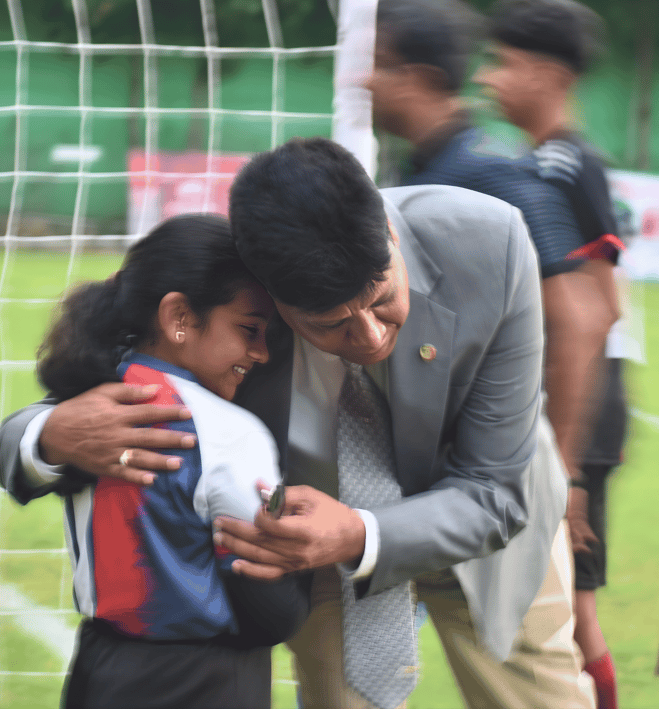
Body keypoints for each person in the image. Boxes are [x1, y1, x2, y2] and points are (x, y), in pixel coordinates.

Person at [0, 138, 547, 709]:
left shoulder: (493, 241)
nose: (370, 337)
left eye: (381, 298)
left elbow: (496, 490)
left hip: (485, 525)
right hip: (309, 555)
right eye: (329, 323)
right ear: (272, 299)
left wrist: (359, 531)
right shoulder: (230, 291)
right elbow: (83, 383)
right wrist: (52, 434)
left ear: (390, 234)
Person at [366, 1, 612, 706]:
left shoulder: (488, 172)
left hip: (494, 472)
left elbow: (585, 314)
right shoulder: (421, 164)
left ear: (411, 76)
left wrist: (560, 469)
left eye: (372, 66)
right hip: (410, 476)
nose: (358, 84)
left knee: (537, 675)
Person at [32, 214, 309, 709]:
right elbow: (269, 609)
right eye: (249, 329)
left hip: (99, 669)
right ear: (179, 318)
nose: (262, 352)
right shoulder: (228, 432)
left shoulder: (78, 409)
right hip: (207, 679)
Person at [475, 3, 627, 708]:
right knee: (550, 614)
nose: (486, 77)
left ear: (548, 74)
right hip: (556, 414)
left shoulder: (564, 168)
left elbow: (601, 307)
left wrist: (566, 464)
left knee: (569, 615)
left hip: (577, 418)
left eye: (502, 62)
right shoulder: (539, 164)